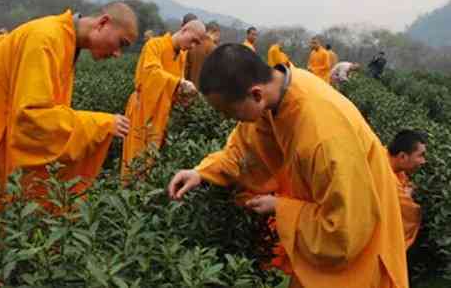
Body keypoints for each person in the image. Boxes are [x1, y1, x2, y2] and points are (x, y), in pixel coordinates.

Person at [168, 44, 408, 288]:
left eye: (229, 111)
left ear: (256, 95)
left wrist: (281, 208)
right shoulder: (278, 93)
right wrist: (201, 173)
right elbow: (245, 152)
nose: (228, 119)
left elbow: (344, 232)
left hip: (361, 252)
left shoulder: (325, 136)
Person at [0, 2, 139, 203]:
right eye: (121, 43)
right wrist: (100, 125)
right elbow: (31, 117)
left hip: (1, 134)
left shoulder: (65, 41)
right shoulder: (46, 38)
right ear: (103, 23)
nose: (117, 54)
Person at [121, 20, 206, 181]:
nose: (193, 46)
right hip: (143, 109)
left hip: (161, 114)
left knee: (151, 161)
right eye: (193, 40)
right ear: (184, 29)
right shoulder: (155, 44)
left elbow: (175, 87)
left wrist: (185, 95)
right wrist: (178, 83)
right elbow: (150, 73)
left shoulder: (181, 55)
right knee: (135, 160)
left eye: (197, 43)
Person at [388, 130, 427, 249]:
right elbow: (409, 213)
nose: (423, 161)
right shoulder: (386, 177)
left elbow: (405, 184)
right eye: (420, 155)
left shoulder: (394, 168)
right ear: (403, 156)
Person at [185, 21, 221, 87]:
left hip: (190, 88)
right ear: (215, 32)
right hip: (205, 90)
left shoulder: (192, 45)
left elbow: (186, 69)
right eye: (218, 35)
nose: (218, 39)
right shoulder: (214, 48)